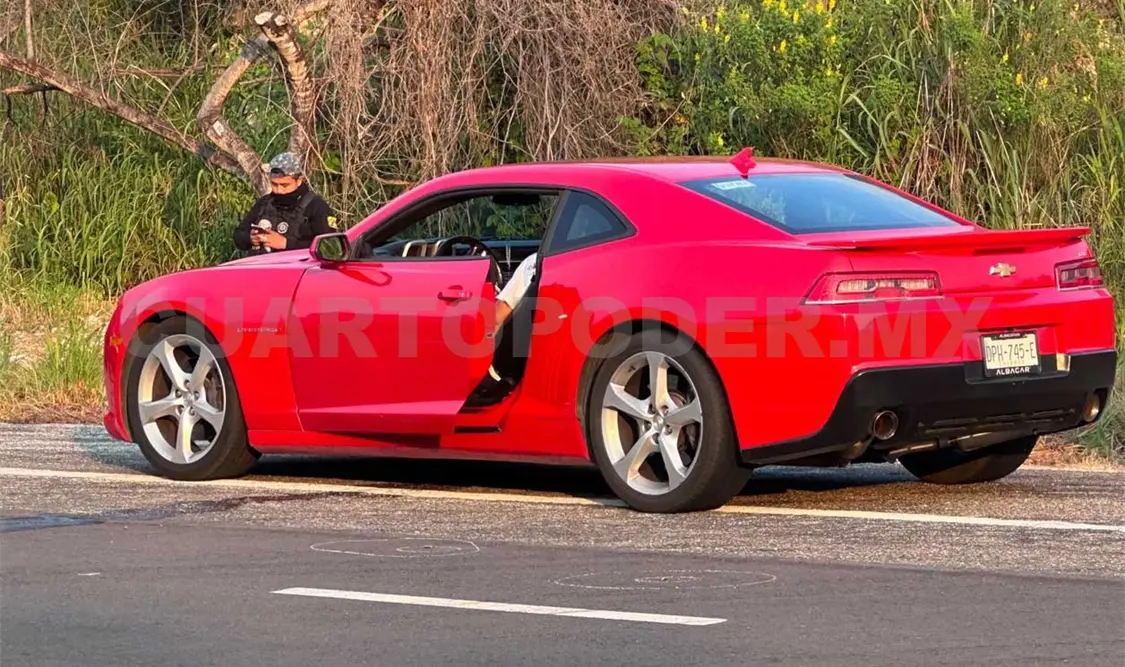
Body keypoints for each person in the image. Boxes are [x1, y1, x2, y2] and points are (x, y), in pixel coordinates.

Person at [234, 152, 338, 255]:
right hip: (260, 267)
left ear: (299, 180)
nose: (279, 190)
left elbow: (331, 248)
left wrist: (286, 244)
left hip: (296, 269)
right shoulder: (264, 203)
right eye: (274, 184)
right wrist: (251, 238)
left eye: (284, 185)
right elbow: (239, 235)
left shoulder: (316, 207)